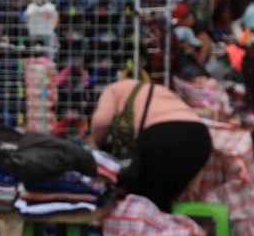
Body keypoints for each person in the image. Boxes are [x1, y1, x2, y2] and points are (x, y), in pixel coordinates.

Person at [89, 78, 213, 211]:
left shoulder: (113, 89)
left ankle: (135, 228)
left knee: (138, 198)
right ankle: (166, 229)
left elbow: (101, 121)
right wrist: (192, 188)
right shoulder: (160, 90)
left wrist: (96, 145)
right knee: (162, 200)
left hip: (161, 135)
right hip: (202, 137)